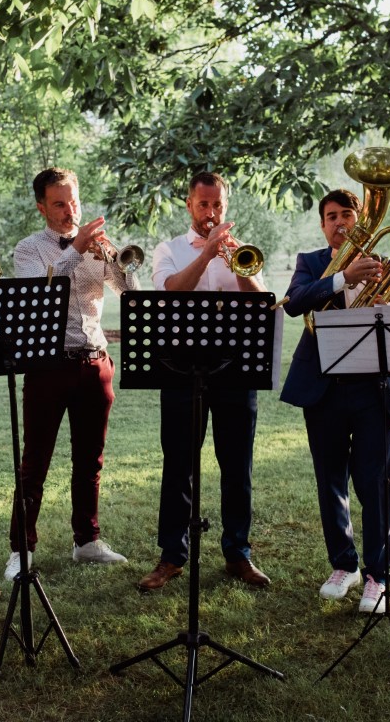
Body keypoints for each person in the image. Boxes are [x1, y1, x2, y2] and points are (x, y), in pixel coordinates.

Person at [3, 167, 138, 580]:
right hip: (48, 365)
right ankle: (20, 550)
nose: (69, 210)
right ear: (42, 206)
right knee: (35, 463)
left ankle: (87, 540)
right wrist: (76, 250)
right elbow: (38, 295)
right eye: (59, 203)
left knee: (90, 460)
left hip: (96, 362)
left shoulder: (97, 244)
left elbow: (129, 293)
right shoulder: (28, 250)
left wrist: (115, 261)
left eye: (73, 201)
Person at [280, 189, 390, 614]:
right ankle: (344, 564)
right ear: (322, 225)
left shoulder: (388, 265)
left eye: (347, 215)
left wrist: (388, 302)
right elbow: (295, 303)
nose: (339, 222)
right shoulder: (312, 263)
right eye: (331, 216)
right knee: (330, 479)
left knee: (375, 484)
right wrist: (343, 279)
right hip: (325, 388)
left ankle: (377, 575)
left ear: (361, 220)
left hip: (373, 390)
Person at [139, 171, 271, 591]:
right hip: (180, 370)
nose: (210, 213)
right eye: (203, 205)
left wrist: (233, 259)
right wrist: (206, 254)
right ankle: (172, 556)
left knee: (237, 466)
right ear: (189, 204)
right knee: (179, 465)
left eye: (217, 205)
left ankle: (238, 553)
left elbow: (261, 302)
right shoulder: (170, 249)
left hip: (235, 369)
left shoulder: (242, 250)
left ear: (225, 206)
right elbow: (171, 291)